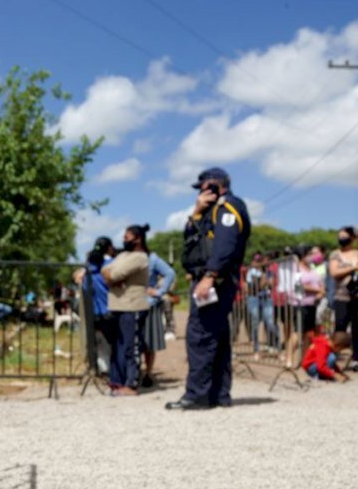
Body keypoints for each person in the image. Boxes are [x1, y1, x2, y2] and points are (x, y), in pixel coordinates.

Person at [166, 167, 251, 409]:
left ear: (214, 185)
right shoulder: (209, 211)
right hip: (211, 278)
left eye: (202, 187)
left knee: (200, 334)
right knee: (216, 335)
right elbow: (192, 240)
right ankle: (218, 394)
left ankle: (197, 395)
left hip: (217, 279)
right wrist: (196, 211)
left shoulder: (228, 207)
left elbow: (225, 244)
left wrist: (210, 276)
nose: (200, 192)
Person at [103, 225, 151, 396]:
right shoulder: (123, 255)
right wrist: (111, 275)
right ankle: (117, 382)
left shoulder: (141, 257)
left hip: (133, 306)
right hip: (116, 306)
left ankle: (131, 384)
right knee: (117, 347)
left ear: (137, 238)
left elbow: (115, 274)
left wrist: (112, 276)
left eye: (127, 236)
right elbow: (106, 270)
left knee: (132, 347)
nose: (124, 240)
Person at [328, 226, 358, 371]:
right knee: (340, 328)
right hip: (341, 297)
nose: (342, 238)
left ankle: (356, 359)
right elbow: (334, 272)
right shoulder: (335, 254)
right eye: (340, 236)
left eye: (345, 236)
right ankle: (335, 358)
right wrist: (353, 268)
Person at [141, 245, 176, 387]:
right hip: (131, 304)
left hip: (149, 304)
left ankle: (148, 373)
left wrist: (160, 291)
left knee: (149, 343)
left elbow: (170, 273)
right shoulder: (127, 257)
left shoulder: (153, 259)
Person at [81, 236, 116, 375]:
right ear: (109, 248)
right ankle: (115, 373)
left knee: (101, 344)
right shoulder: (111, 264)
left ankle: (103, 370)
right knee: (115, 344)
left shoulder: (88, 268)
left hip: (94, 312)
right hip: (111, 310)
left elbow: (84, 286)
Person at [285, 246, 324, 369]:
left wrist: (320, 292)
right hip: (299, 304)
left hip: (312, 304)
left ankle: (304, 359)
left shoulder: (312, 269)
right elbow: (298, 287)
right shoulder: (296, 269)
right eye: (309, 254)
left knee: (308, 333)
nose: (312, 256)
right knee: (297, 332)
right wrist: (316, 289)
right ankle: (289, 358)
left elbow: (320, 284)